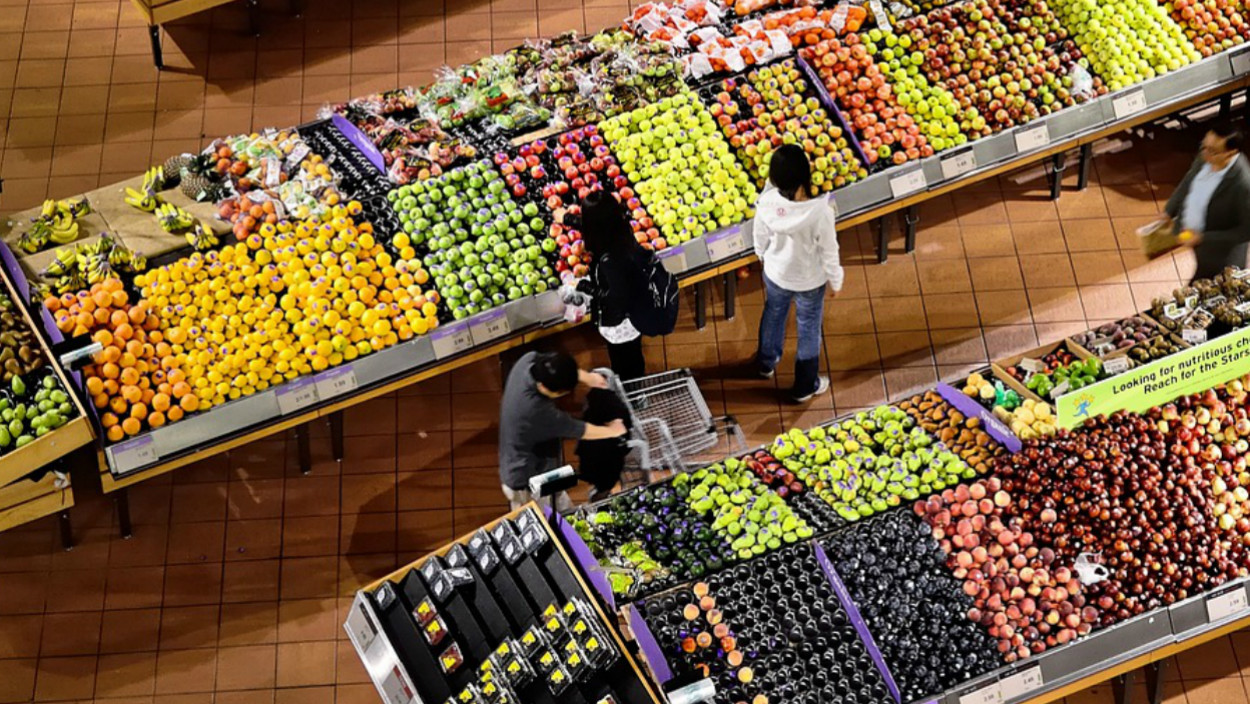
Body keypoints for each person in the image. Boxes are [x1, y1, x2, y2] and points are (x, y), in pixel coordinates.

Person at [753, 143, 843, 403]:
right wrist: (835, 280)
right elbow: (829, 250)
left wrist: (762, 255)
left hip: (776, 272)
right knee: (809, 328)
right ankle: (805, 385)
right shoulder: (820, 212)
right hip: (809, 280)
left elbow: (759, 235)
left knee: (773, 312)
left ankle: (766, 363)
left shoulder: (767, 202)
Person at [498, 350, 627, 511]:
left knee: (558, 500)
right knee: (550, 513)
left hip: (531, 454)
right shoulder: (536, 411)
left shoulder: (528, 361)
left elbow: (556, 365)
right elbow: (580, 430)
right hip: (525, 478)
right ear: (544, 387)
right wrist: (613, 430)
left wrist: (588, 378)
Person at [574, 191, 656, 380]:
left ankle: (633, 394)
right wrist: (568, 218)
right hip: (635, 312)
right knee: (633, 354)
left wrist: (585, 286)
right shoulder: (622, 231)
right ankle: (634, 386)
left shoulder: (609, 260)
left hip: (620, 322)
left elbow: (614, 297)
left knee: (624, 360)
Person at [1164, 122, 1250, 282]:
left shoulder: (1243, 183)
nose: (1204, 154)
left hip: (1223, 257)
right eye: (1204, 146)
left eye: (1213, 151)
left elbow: (1246, 230)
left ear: (1230, 153)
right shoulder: (1207, 155)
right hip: (1200, 246)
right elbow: (1189, 179)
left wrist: (1204, 238)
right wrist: (1169, 210)